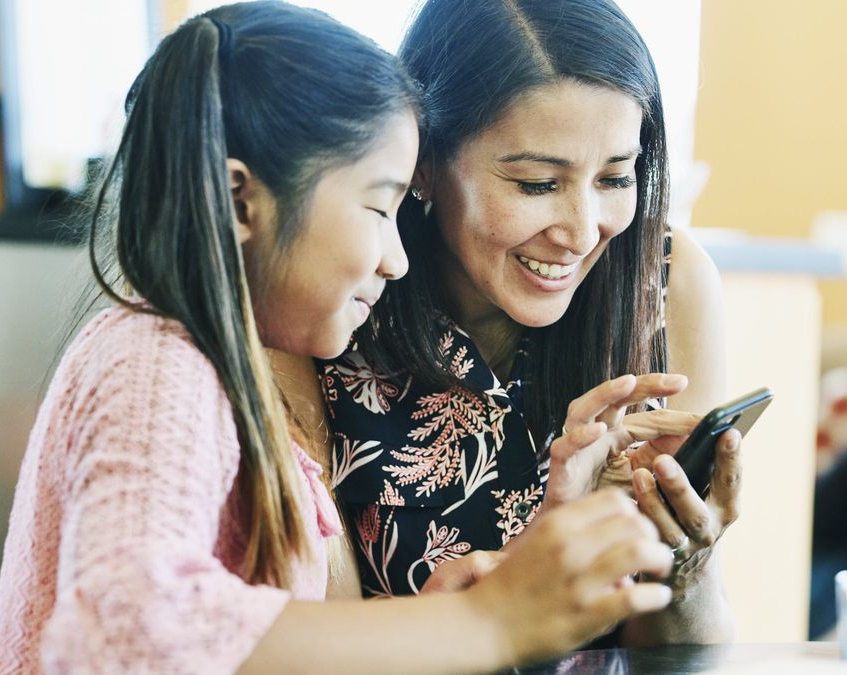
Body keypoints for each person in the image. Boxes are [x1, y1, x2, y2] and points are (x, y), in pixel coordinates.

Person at [0, 3, 678, 672]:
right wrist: (479, 622)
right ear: (238, 202)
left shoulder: (231, 364)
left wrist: (437, 616)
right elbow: (125, 629)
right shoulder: (156, 365)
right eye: (379, 207)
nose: (397, 256)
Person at [305, 0, 741, 644]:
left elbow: (679, 652)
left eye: (616, 178)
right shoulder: (337, 293)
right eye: (538, 183)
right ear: (424, 158)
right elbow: (303, 640)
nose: (582, 229)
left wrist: (684, 560)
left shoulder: (666, 281)